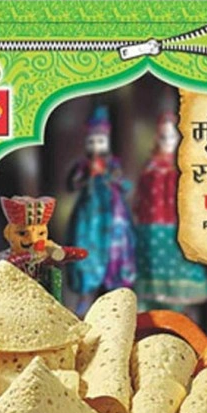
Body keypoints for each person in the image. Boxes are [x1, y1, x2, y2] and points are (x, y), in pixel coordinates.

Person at [133, 110, 207, 311]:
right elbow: (141, 196)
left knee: (178, 269)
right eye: (164, 137)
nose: (167, 142)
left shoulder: (187, 165)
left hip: (178, 226)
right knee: (150, 268)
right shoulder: (150, 166)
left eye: (172, 137)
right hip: (150, 226)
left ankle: (176, 316)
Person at [67, 105, 136, 314]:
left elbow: (125, 185)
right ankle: (84, 295)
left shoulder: (113, 164)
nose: (96, 146)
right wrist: (86, 177)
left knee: (115, 251)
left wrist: (110, 178)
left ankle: (114, 297)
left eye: (100, 141)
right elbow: (72, 185)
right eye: (92, 141)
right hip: (89, 216)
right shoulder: (83, 165)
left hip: (113, 213)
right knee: (86, 251)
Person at [0, 195, 87, 301]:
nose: (33, 240)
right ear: (8, 233)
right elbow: (5, 263)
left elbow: (79, 254)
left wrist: (55, 250)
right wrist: (29, 256)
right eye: (23, 233)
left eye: (41, 233)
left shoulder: (43, 256)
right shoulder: (4, 258)